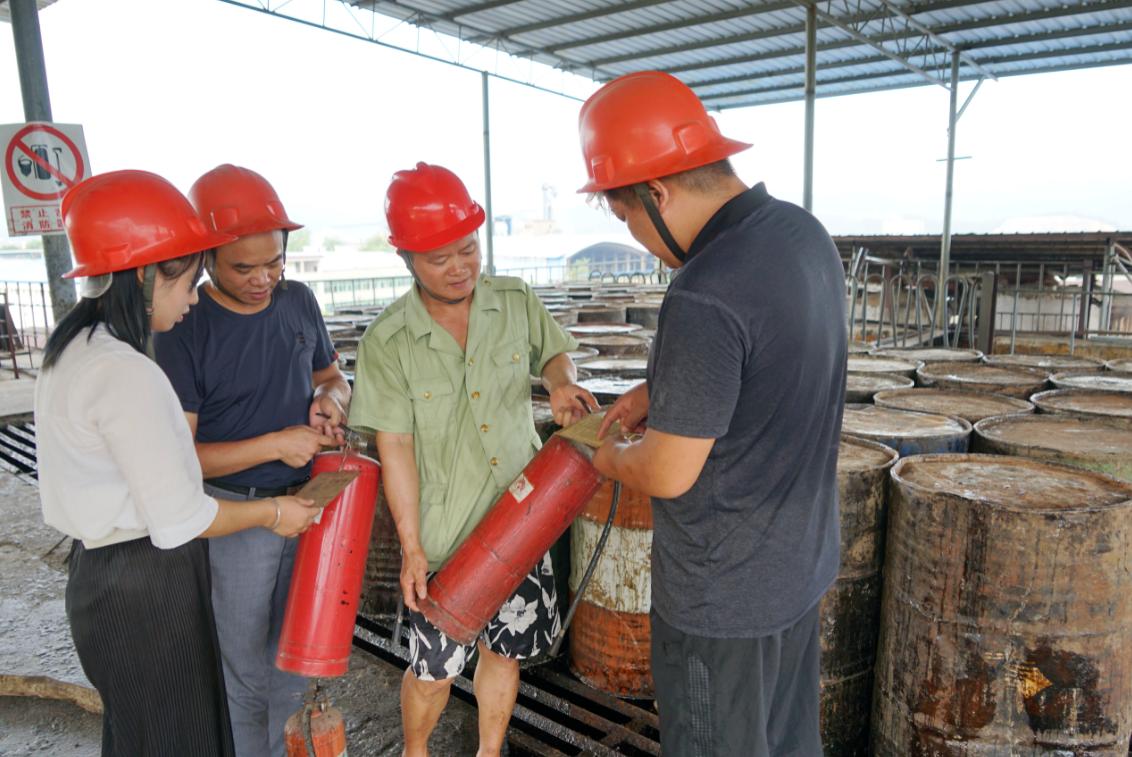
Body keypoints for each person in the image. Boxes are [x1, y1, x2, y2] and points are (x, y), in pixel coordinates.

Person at [579, 71, 847, 756]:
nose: (638, 236)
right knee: (787, 743)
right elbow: (768, 365)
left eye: (627, 218)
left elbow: (668, 471)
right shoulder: (802, 233)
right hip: (798, 569)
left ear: (657, 194)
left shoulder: (704, 288)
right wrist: (658, 389)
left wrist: (604, 456)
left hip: (722, 601)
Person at [35, 170, 320, 756]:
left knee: (141, 734)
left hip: (100, 576)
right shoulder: (126, 372)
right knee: (178, 734)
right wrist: (272, 513)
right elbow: (183, 514)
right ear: (144, 274)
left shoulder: (73, 349)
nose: (192, 299)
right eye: (187, 282)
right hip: (143, 582)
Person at [349, 162, 595, 756]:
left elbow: (556, 352)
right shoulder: (388, 343)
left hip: (520, 519)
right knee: (433, 669)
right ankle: (416, 751)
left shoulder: (514, 300)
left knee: (503, 650)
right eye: (440, 259)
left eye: (468, 249)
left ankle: (489, 752)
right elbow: (397, 447)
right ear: (406, 258)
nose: (460, 267)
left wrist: (561, 383)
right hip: (445, 535)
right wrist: (411, 547)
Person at [153, 164, 351, 757]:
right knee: (244, 675)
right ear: (207, 258)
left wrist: (327, 403)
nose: (264, 278)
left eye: (275, 262)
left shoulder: (297, 302)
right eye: (245, 267)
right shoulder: (183, 328)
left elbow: (333, 378)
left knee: (293, 664)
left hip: (307, 502)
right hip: (234, 518)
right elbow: (180, 462)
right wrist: (275, 444)